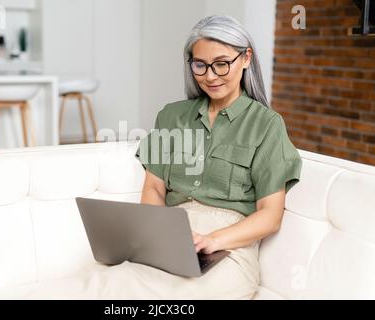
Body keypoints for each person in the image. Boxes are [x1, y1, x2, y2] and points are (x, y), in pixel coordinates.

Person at [76, 15, 302, 300]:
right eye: (200, 65)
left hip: (228, 248)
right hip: (170, 238)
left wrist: (213, 240)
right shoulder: (171, 116)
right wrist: (155, 240)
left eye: (221, 63)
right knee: (106, 283)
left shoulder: (267, 125)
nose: (210, 75)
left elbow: (270, 215)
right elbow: (154, 189)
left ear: (245, 58)